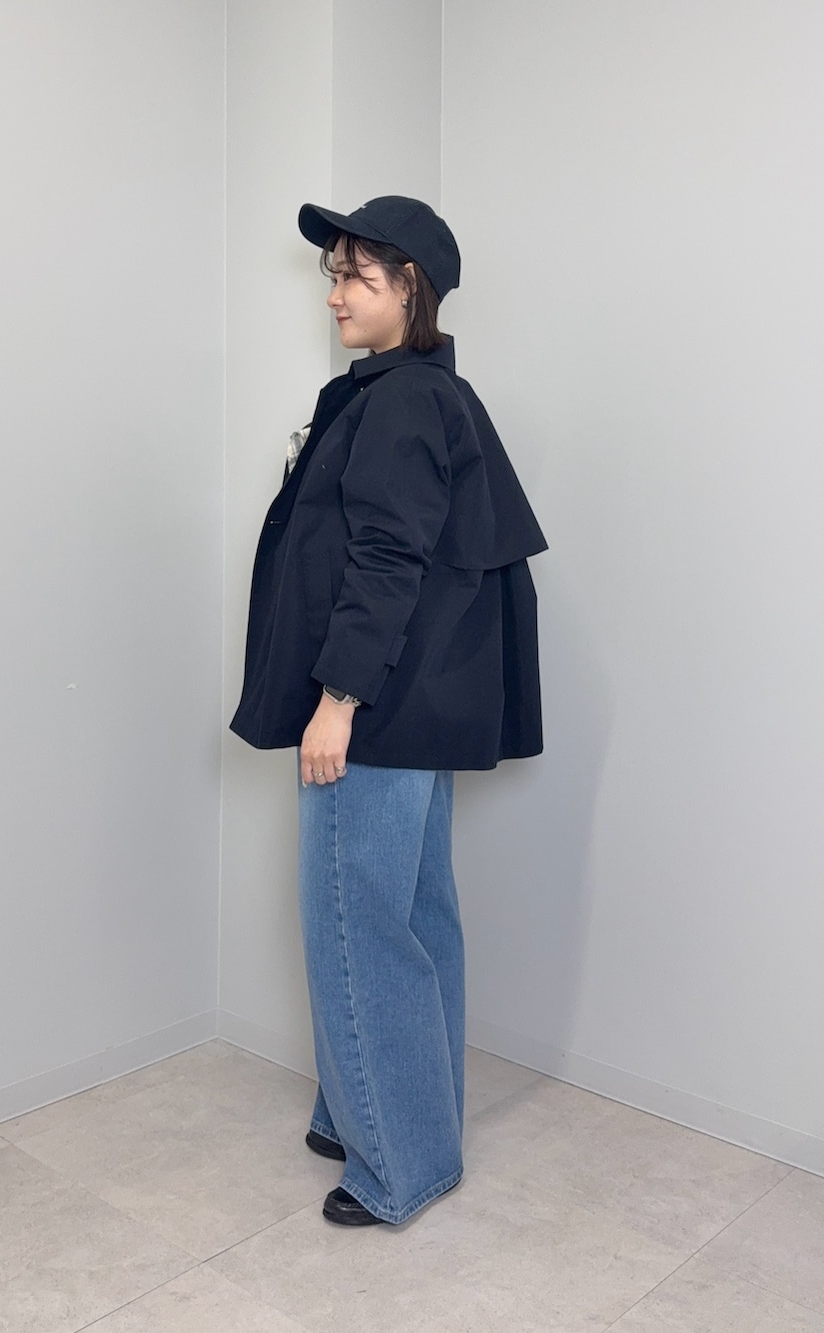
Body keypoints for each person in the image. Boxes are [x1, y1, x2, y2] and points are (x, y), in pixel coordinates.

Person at [230, 196, 546, 1226]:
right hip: (417, 706)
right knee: (413, 917)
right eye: (333, 274)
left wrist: (337, 700)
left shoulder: (402, 400)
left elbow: (385, 557)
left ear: (413, 288)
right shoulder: (421, 391)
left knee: (356, 924)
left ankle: (397, 1162)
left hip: (373, 708)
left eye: (357, 276)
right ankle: (371, 1110)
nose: (334, 294)